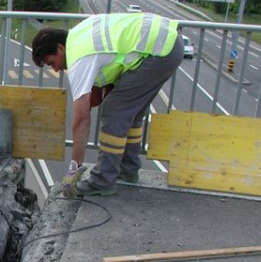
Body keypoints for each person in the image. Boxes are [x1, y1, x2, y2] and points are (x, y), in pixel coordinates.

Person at [31, 13, 184, 197]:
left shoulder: (79, 57)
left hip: (159, 50)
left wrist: (74, 167)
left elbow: (81, 118)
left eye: (52, 62)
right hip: (167, 44)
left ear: (60, 47)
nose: (55, 69)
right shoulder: (79, 33)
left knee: (114, 111)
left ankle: (103, 180)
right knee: (131, 114)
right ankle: (128, 170)